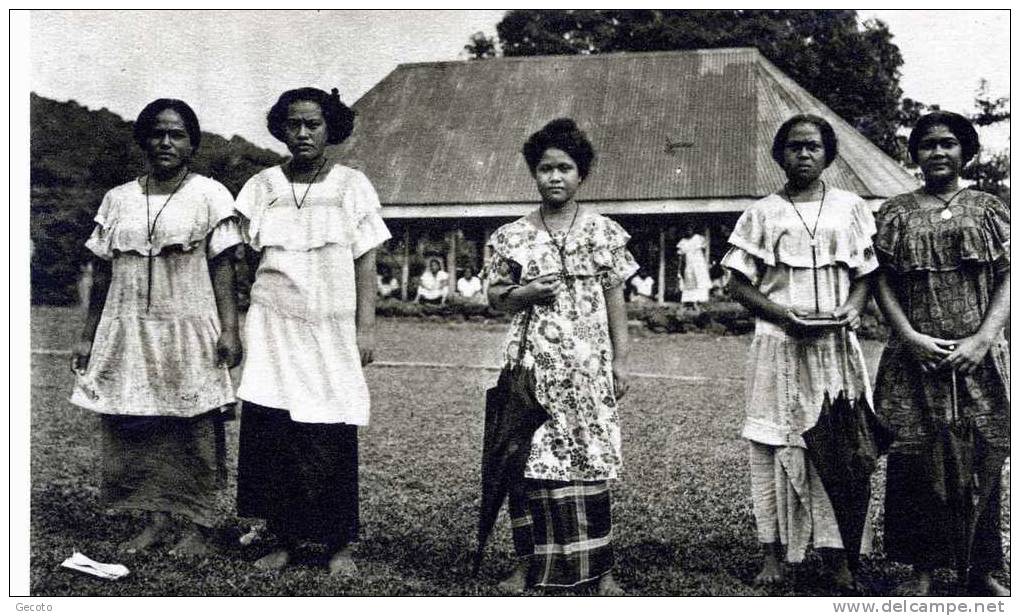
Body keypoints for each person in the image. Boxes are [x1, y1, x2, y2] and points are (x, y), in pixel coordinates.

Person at [69, 98, 243, 557]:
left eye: (178, 134)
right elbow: (102, 274)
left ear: (192, 143)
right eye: (158, 133)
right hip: (128, 327)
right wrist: (88, 335)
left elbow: (225, 269)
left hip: (189, 324)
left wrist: (230, 329)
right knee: (137, 423)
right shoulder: (118, 199)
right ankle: (154, 522)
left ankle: (198, 526)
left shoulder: (210, 195)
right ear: (144, 139)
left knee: (195, 429)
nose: (166, 142)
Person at [233, 87, 391, 575]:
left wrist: (365, 327)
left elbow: (367, 259)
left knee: (329, 431)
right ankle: (282, 537)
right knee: (274, 430)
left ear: (330, 129)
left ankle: (337, 542)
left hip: (331, 327)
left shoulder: (351, 185)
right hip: (274, 325)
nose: (303, 134)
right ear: (281, 128)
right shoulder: (261, 186)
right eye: (294, 124)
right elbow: (243, 258)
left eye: (313, 125)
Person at [722, 114, 877, 591]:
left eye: (813, 147)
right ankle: (772, 553)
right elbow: (737, 283)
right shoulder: (763, 212)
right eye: (794, 147)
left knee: (836, 443)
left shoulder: (850, 207)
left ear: (828, 154)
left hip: (833, 347)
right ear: (780, 154)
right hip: (778, 345)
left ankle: (837, 554)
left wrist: (852, 308)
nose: (804, 154)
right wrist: (782, 316)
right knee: (770, 444)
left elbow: (866, 271)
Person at [485, 118, 637, 595]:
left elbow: (617, 302)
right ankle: (527, 563)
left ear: (581, 174)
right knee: (526, 459)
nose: (555, 177)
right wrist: (525, 291)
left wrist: (621, 361)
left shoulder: (604, 233)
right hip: (531, 364)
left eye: (565, 168)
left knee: (588, 458)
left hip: (588, 368)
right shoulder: (511, 236)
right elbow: (494, 297)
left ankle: (599, 569)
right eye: (545, 168)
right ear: (534, 173)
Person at [873, 111, 1010, 597]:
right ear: (915, 154)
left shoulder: (988, 209)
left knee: (983, 454)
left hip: (977, 355)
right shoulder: (896, 212)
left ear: (965, 151)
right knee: (915, 459)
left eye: (948, 144)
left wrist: (982, 340)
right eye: (927, 144)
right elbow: (881, 281)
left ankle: (980, 567)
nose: (937, 152)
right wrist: (909, 336)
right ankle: (921, 568)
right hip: (916, 358)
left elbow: (1007, 278)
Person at [677, 224, 711, 306]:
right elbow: (682, 257)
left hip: (699, 263)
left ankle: (701, 300)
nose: (688, 231)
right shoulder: (683, 242)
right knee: (690, 281)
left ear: (693, 230)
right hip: (689, 264)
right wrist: (682, 266)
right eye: (686, 229)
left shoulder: (698, 238)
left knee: (701, 279)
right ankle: (691, 301)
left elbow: (705, 249)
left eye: (690, 229)